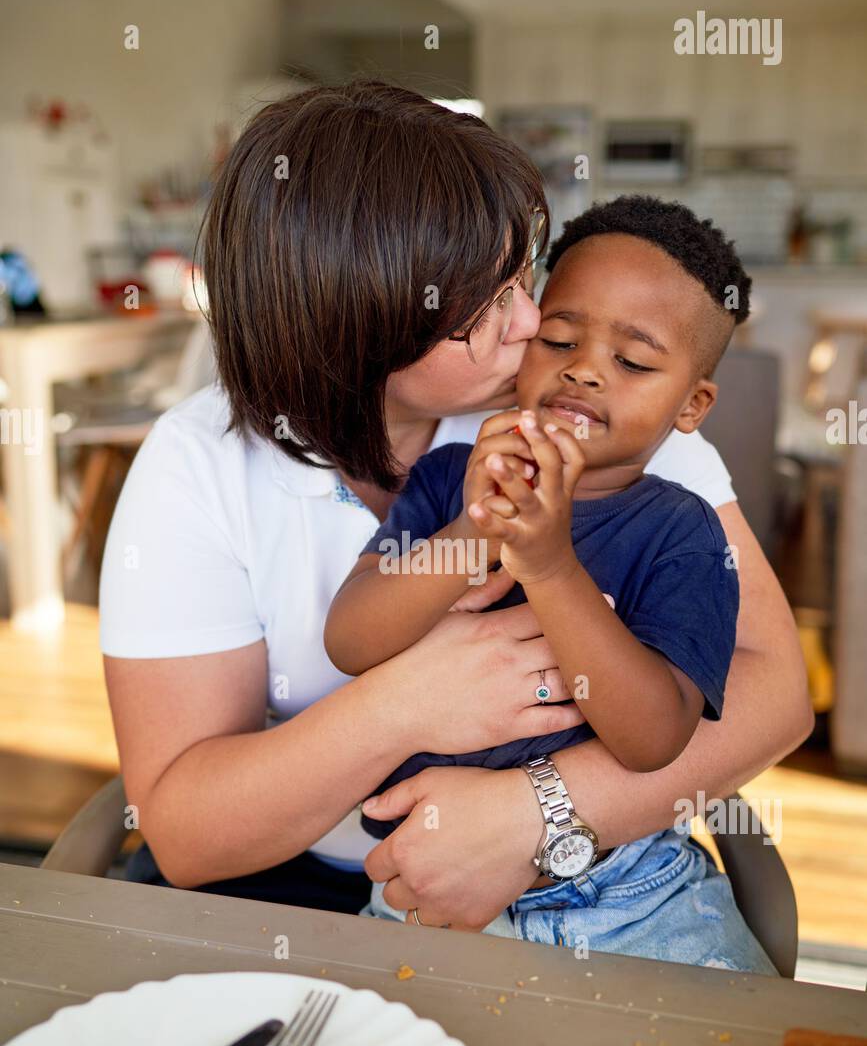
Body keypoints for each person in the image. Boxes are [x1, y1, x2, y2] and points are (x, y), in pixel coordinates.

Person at [99, 81, 812, 937]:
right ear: (353, 317)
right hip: (302, 885)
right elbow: (185, 833)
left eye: (523, 276)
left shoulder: (596, 427)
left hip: (594, 873)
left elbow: (774, 693)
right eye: (480, 302)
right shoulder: (198, 465)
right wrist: (409, 701)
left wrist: (535, 816)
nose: (530, 325)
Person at [323, 197, 776, 973]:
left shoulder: (682, 530)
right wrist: (476, 530)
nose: (585, 367)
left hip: (629, 894)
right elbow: (352, 640)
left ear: (691, 404)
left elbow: (652, 739)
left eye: (632, 363)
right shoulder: (445, 482)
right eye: (560, 339)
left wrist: (551, 566)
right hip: (421, 895)